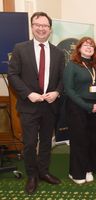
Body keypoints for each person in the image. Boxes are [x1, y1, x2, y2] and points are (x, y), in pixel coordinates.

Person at [7, 12, 64, 194]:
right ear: (32, 27)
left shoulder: (59, 52)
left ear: (50, 29)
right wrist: (28, 93)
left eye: (45, 26)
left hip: (50, 106)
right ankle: (32, 175)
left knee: (47, 142)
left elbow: (63, 79)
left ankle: (44, 172)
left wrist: (56, 92)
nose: (41, 28)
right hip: (29, 105)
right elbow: (12, 75)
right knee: (30, 143)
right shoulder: (20, 48)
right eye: (37, 25)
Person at [63, 37, 96, 184]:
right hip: (77, 108)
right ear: (79, 48)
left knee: (93, 140)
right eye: (85, 45)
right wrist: (87, 106)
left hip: (95, 109)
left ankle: (89, 168)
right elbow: (69, 90)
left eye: (91, 46)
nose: (89, 47)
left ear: (94, 50)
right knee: (79, 141)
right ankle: (78, 172)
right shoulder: (72, 65)